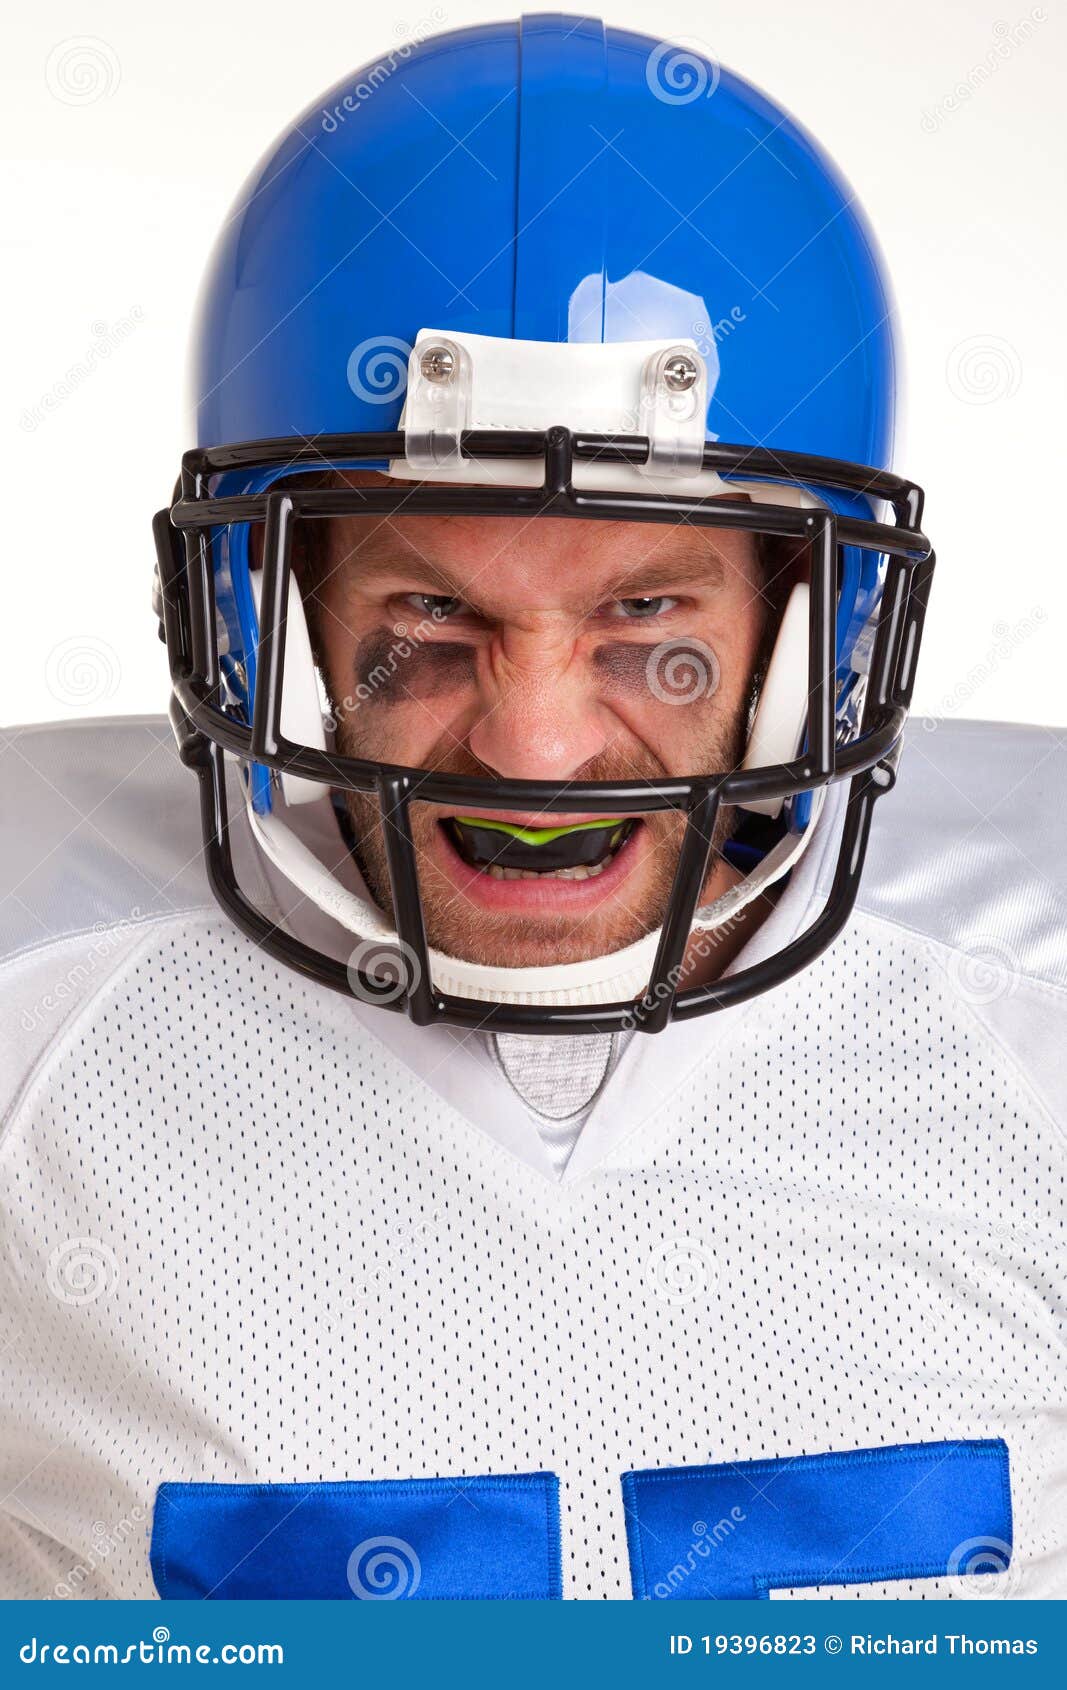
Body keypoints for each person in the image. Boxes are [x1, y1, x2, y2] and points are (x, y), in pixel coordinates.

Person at [0, 15, 1063, 1602]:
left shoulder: (1028, 1011)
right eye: (428, 622)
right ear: (276, 614)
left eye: (651, 621)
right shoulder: (38, 1012)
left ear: (803, 629)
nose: (541, 744)